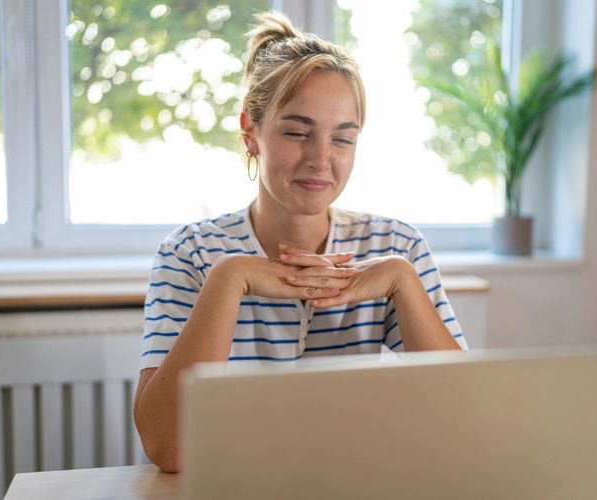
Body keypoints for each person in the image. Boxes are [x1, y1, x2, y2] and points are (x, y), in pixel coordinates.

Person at [134, 11, 468, 473]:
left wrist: (403, 281)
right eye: (297, 133)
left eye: (343, 139)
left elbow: (465, 421)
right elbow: (169, 449)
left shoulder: (398, 246)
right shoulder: (189, 254)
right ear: (251, 133)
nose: (321, 160)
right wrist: (230, 279)